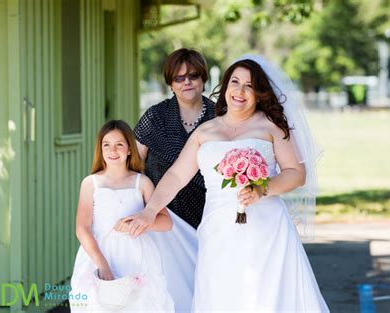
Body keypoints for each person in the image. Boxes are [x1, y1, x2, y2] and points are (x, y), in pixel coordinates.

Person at [126, 57, 329, 312]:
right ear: (225, 86)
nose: (240, 91)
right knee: (222, 294)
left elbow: (296, 173)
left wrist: (261, 188)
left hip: (266, 230)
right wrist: (150, 210)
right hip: (218, 229)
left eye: (249, 85)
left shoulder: (271, 127)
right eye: (235, 82)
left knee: (264, 297)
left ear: (259, 93)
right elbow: (177, 176)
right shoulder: (205, 131)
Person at [69, 120, 175, 311]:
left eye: (119, 144)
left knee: (138, 305)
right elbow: (81, 228)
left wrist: (141, 222)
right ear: (100, 149)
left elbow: (166, 222)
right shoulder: (91, 183)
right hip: (99, 254)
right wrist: (103, 265)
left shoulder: (142, 182)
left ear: (128, 149)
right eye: (106, 145)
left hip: (136, 256)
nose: (113, 150)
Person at [134, 48, 216, 229]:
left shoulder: (219, 117)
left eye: (193, 76)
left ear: (203, 79)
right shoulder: (155, 116)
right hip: (160, 215)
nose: (186, 82)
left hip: (207, 216)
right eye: (179, 78)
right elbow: (134, 162)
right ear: (171, 83)